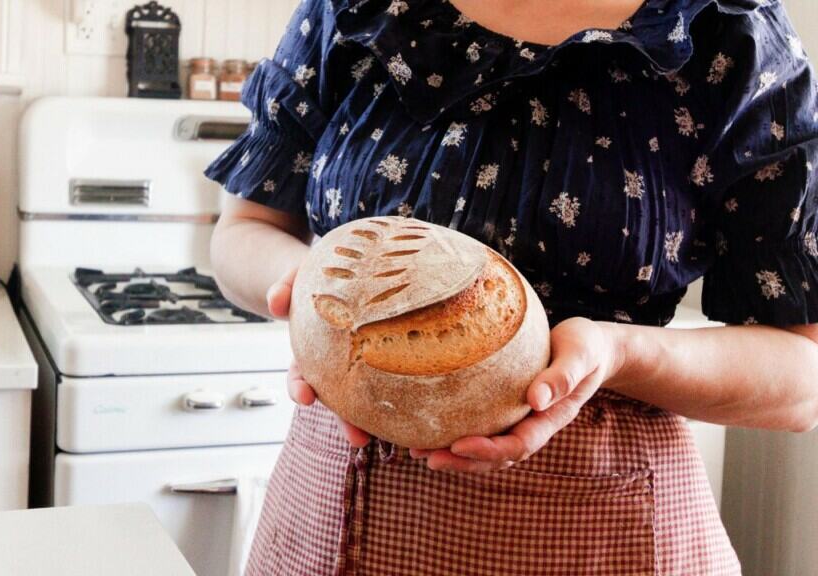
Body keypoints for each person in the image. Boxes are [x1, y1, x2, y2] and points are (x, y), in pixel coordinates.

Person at [205, 0, 818, 574]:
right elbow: (245, 230)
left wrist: (619, 353)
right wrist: (315, 303)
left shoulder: (725, 31)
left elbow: (802, 378)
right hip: (329, 518)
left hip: (601, 533)